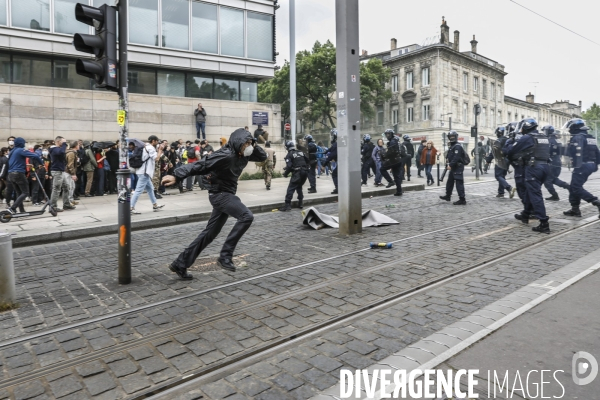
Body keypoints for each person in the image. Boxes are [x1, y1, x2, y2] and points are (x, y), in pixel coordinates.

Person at [162, 128, 267, 278]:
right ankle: (225, 256)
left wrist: (253, 144)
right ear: (238, 143)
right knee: (246, 216)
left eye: (251, 143)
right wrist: (177, 176)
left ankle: (180, 263)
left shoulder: (243, 154)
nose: (249, 146)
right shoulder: (226, 155)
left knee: (210, 233)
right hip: (220, 195)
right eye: (247, 143)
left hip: (227, 194)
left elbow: (262, 156)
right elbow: (201, 165)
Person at [508, 118, 550, 233]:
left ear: (526, 127)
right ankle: (525, 214)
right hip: (545, 168)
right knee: (528, 193)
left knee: (535, 195)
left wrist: (510, 141)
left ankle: (544, 223)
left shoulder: (527, 138)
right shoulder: (543, 137)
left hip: (533, 168)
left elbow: (512, 150)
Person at [563, 119, 600, 218]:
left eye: (570, 128)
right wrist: (595, 165)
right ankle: (575, 209)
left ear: (575, 127)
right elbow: (597, 153)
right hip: (590, 165)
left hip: (582, 165)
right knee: (574, 186)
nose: (569, 130)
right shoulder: (590, 137)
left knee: (575, 187)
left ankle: (596, 201)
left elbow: (570, 152)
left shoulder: (578, 137)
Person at [130, 135, 165, 215]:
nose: (157, 143)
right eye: (157, 141)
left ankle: (155, 205)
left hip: (143, 172)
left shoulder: (146, 147)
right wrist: (160, 150)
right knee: (138, 190)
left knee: (150, 189)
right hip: (144, 172)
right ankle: (131, 207)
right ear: (153, 141)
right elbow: (156, 158)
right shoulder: (150, 148)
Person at [6, 138, 42, 214]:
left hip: (11, 174)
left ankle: (22, 210)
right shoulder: (20, 150)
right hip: (18, 174)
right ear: (21, 143)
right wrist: (41, 163)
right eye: (23, 143)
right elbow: (35, 156)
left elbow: (14, 163)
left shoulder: (12, 151)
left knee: (19, 193)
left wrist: (26, 164)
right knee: (25, 192)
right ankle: (12, 208)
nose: (24, 145)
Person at [541, 125, 570, 201]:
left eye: (544, 131)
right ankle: (567, 186)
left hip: (552, 163)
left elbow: (547, 152)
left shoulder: (549, 140)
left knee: (547, 181)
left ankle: (555, 195)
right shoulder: (557, 140)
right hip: (557, 162)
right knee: (553, 179)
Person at [279, 141, 309, 212]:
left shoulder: (289, 155)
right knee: (299, 187)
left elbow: (289, 166)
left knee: (291, 188)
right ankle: (300, 203)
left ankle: (287, 205)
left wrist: (285, 173)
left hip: (297, 173)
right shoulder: (300, 152)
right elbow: (307, 160)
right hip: (304, 172)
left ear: (287, 147)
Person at [486, 127, 515, 198]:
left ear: (499, 133)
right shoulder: (508, 140)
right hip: (507, 160)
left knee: (498, 176)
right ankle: (501, 192)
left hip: (500, 160)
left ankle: (509, 188)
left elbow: (493, 152)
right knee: (502, 176)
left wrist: (488, 160)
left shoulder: (498, 141)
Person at [439, 131, 467, 205]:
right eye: (450, 136)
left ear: (455, 136)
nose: (451, 138)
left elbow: (456, 157)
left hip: (458, 167)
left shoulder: (458, 146)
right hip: (453, 167)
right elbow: (450, 156)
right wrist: (448, 162)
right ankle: (448, 196)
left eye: (452, 136)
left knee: (459, 183)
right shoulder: (452, 146)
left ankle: (462, 199)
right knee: (449, 182)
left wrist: (450, 165)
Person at [49, 136, 75, 211]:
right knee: (56, 189)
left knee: (66, 187)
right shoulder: (54, 149)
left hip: (61, 171)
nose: (65, 144)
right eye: (63, 142)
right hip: (57, 171)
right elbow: (61, 152)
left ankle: (66, 204)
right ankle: (53, 206)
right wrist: (64, 145)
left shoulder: (57, 149)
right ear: (58, 141)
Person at [380, 129, 405, 196]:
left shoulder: (393, 141)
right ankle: (399, 191)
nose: (387, 135)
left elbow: (391, 151)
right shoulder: (396, 141)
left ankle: (390, 181)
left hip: (394, 160)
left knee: (382, 169)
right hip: (398, 160)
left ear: (391, 134)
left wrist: (385, 155)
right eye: (386, 134)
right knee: (396, 176)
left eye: (388, 134)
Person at [65, 141, 79, 205]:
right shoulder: (71, 153)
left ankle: (71, 199)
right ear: (75, 146)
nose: (79, 146)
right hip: (68, 172)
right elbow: (70, 164)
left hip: (70, 171)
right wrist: (73, 174)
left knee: (72, 186)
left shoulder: (73, 153)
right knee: (69, 187)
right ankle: (69, 201)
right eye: (78, 145)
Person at [324, 129, 338, 194]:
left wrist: (325, 163)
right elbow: (331, 149)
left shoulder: (336, 144)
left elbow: (332, 154)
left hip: (341, 163)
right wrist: (326, 151)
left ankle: (338, 188)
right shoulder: (338, 143)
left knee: (335, 174)